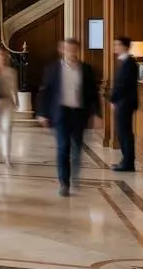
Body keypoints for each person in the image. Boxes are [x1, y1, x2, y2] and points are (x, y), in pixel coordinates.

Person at [35, 38, 101, 196]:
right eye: (67, 49)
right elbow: (45, 92)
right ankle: (64, 183)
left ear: (77, 50)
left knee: (77, 149)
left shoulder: (86, 69)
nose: (70, 52)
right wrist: (42, 113)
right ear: (62, 50)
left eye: (73, 49)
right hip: (61, 114)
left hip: (79, 114)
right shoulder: (53, 69)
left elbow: (93, 93)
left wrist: (97, 114)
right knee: (63, 147)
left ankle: (75, 175)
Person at [110, 35, 140, 172]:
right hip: (122, 102)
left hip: (125, 103)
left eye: (117, 44)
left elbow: (123, 85)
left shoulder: (130, 63)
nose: (115, 47)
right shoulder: (124, 62)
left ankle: (128, 162)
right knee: (122, 132)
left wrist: (113, 99)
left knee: (125, 133)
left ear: (124, 46)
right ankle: (125, 160)